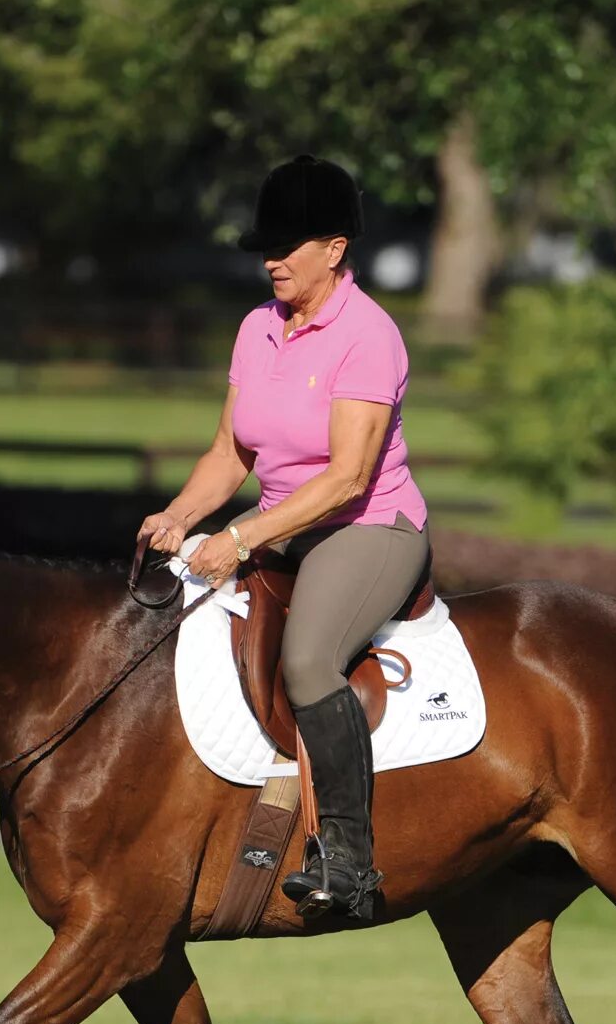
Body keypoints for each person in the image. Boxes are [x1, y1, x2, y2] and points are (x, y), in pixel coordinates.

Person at [138, 155, 429, 923]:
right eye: (265, 245)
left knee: (307, 661)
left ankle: (349, 861)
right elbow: (231, 452)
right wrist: (180, 515)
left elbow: (346, 478)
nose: (270, 260)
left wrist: (237, 539)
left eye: (287, 245)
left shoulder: (370, 336)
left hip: (365, 527)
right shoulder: (257, 328)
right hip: (280, 525)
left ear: (335, 249)